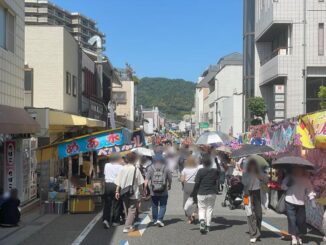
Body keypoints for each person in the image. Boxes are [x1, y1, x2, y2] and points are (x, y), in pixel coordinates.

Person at [281, 167, 316, 245]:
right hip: (289, 201)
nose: (298, 171)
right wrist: (287, 185)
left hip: (301, 203)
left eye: (300, 169)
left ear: (303, 170)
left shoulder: (306, 180)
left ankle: (298, 236)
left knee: (300, 221)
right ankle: (294, 237)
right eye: (296, 169)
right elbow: (282, 186)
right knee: (292, 220)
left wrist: (312, 200)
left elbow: (310, 190)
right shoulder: (289, 177)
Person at [115, 152, 144, 233]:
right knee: (132, 210)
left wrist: (117, 191)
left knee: (126, 208)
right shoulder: (135, 169)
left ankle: (129, 224)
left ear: (126, 159)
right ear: (135, 160)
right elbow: (140, 183)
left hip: (124, 191)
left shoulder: (122, 168)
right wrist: (142, 193)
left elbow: (119, 181)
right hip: (133, 192)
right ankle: (127, 226)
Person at [191, 153, 219, 234]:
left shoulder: (200, 171)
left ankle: (202, 221)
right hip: (212, 192)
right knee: (209, 209)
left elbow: (196, 183)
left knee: (202, 208)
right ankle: (208, 226)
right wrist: (216, 162)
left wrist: (193, 193)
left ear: (202, 163)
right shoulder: (214, 171)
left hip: (201, 192)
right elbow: (219, 173)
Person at [242, 158, 268, 243]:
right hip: (246, 194)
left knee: (258, 214)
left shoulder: (260, 172)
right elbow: (243, 182)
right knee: (249, 212)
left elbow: (266, 180)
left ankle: (258, 231)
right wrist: (249, 178)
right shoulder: (245, 172)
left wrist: (259, 176)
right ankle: (253, 234)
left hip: (257, 193)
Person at [145, 154, 172, 227]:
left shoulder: (150, 168)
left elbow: (146, 180)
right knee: (163, 205)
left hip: (153, 191)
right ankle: (160, 219)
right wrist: (169, 185)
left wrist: (145, 189)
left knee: (154, 205)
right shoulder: (166, 168)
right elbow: (170, 178)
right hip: (163, 190)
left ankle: (155, 220)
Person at [102, 154, 124, 229]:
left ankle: (106, 219)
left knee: (107, 203)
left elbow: (105, 174)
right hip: (116, 185)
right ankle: (115, 221)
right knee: (116, 203)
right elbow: (121, 178)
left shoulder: (107, 165)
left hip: (107, 185)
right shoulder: (121, 167)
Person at [180, 156, 198, 224]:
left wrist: (183, 185)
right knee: (195, 201)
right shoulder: (197, 169)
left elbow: (182, 179)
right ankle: (194, 212)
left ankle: (189, 218)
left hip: (187, 186)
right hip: (195, 186)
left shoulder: (185, 169)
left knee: (186, 201)